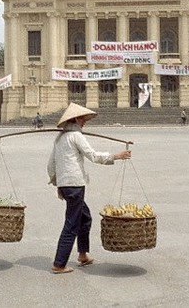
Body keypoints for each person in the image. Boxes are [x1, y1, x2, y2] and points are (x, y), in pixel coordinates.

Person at [47, 103, 132, 274]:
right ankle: (59, 263)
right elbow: (93, 155)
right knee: (71, 224)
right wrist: (117, 156)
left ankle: (83, 254)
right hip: (75, 185)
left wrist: (58, 184)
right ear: (76, 119)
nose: (85, 122)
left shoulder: (60, 139)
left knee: (84, 218)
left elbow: (51, 165)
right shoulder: (76, 136)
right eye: (83, 119)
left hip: (66, 185)